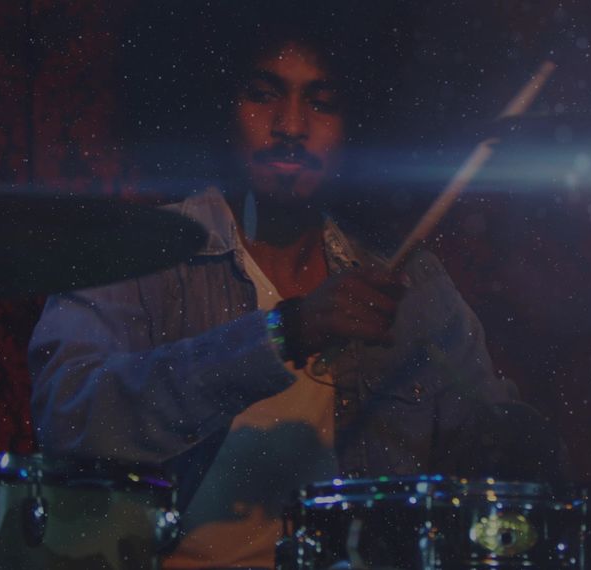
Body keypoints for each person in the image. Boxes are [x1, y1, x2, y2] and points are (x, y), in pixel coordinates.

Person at [28, 6, 515, 568]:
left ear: (356, 123)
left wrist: (518, 441)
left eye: (321, 102)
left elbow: (493, 443)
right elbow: (67, 417)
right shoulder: (135, 261)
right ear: (219, 105)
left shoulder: (413, 285)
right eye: (263, 95)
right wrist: (287, 333)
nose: (290, 126)